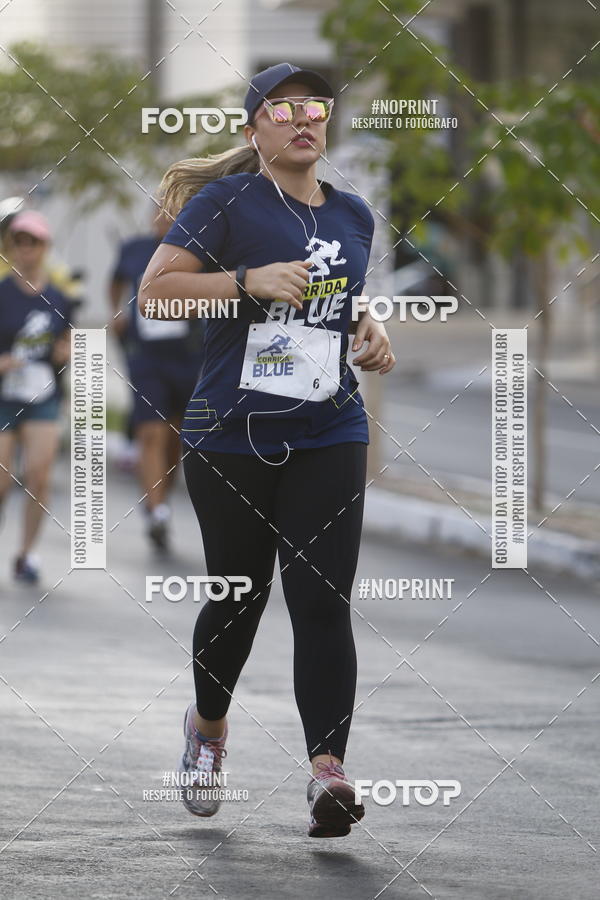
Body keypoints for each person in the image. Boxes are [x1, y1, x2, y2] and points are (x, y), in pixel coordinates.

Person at [139, 62, 396, 837]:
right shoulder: (227, 202)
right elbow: (155, 290)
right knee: (239, 597)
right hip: (233, 432)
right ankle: (209, 731)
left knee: (322, 601)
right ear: (255, 129)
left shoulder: (352, 213)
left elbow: (338, 305)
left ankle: (328, 773)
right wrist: (246, 280)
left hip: (329, 427)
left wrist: (368, 328)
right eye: (283, 109)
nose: (303, 118)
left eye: (314, 107)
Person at [109, 208, 205, 552]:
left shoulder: (196, 249)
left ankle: (160, 498)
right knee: (151, 432)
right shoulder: (135, 249)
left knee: (173, 440)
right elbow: (116, 280)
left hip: (187, 357)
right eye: (158, 209)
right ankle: (157, 511)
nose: (163, 217)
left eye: (172, 212)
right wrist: (117, 312)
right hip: (146, 358)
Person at [0, 211, 71, 583]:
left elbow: (68, 342)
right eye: (20, 242)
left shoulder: (60, 297)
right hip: (3, 395)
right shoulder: (2, 293)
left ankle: (27, 554)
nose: (27, 249)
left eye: (34, 242)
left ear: (45, 247)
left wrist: (66, 353)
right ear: (11, 248)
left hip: (42, 394)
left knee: (39, 475)